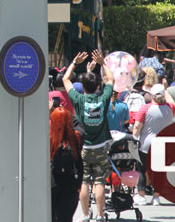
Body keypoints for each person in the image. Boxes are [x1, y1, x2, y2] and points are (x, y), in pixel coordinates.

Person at [63, 50, 114, 222]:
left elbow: (65, 79)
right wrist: (103, 63)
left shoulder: (78, 99)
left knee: (84, 182)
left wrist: (74, 63)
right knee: (99, 182)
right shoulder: (104, 98)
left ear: (82, 86)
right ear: (98, 86)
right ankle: (100, 215)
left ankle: (85, 215)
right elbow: (111, 80)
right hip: (100, 147)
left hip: (82, 147)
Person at [132, 83, 175, 206]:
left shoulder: (145, 109)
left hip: (146, 144)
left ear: (152, 95)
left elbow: (137, 127)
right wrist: (165, 89)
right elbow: (172, 101)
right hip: (162, 144)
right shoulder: (170, 108)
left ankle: (141, 195)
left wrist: (134, 140)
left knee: (142, 169)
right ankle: (156, 197)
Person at [50, 105, 83, 222]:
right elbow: (79, 125)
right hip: (71, 184)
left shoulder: (49, 138)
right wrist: (66, 113)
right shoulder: (76, 138)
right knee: (66, 218)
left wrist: (53, 109)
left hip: (52, 184)